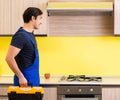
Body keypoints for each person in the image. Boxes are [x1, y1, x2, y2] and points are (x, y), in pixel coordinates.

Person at [5, 7, 43, 87]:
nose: (41, 22)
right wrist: (21, 77)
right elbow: (9, 58)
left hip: (33, 79)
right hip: (24, 81)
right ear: (33, 18)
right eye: (40, 18)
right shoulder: (20, 36)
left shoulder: (30, 34)